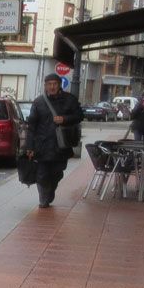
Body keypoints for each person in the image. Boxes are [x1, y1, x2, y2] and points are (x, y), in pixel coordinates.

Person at [25, 73, 83, 208]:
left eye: (55, 84)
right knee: (42, 174)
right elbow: (31, 126)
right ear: (45, 86)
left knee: (57, 172)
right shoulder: (39, 102)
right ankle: (44, 199)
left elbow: (79, 115)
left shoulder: (70, 99)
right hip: (42, 146)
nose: (52, 87)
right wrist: (29, 146)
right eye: (49, 84)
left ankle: (50, 191)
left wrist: (65, 119)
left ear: (59, 85)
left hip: (61, 145)